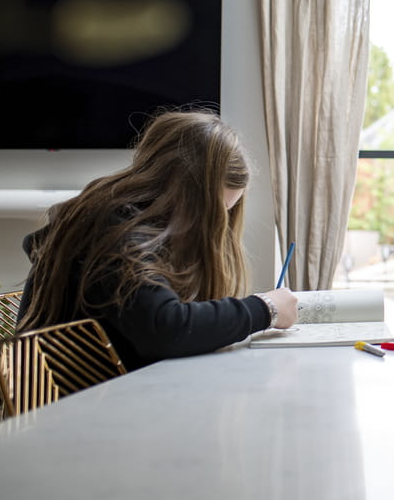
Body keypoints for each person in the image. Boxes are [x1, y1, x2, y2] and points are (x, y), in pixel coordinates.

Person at [18, 109, 298, 369]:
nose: (216, 228)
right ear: (185, 193)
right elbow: (166, 328)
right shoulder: (115, 229)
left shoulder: (123, 216)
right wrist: (266, 308)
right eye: (213, 213)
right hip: (78, 408)